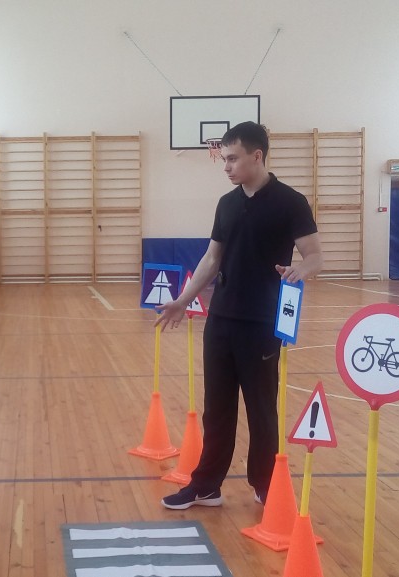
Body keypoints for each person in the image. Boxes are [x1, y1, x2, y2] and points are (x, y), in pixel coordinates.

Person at [157, 122, 323, 510]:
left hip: (262, 324)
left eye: (233, 159)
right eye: (225, 159)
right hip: (221, 321)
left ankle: (264, 484)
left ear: (257, 156)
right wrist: (183, 300)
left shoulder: (291, 202)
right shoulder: (226, 204)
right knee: (216, 409)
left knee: (262, 409)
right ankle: (206, 485)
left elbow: (315, 256)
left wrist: (301, 270)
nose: (227, 167)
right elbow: (211, 259)